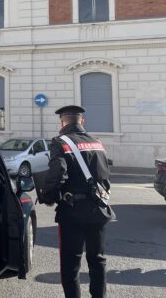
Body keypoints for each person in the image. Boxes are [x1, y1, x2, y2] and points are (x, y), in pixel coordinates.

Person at [42, 105, 112, 298]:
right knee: (97, 260)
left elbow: (58, 174)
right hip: (99, 209)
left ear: (62, 123)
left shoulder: (60, 142)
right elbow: (105, 175)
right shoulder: (97, 142)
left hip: (73, 212)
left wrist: (48, 196)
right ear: (82, 122)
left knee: (71, 263)